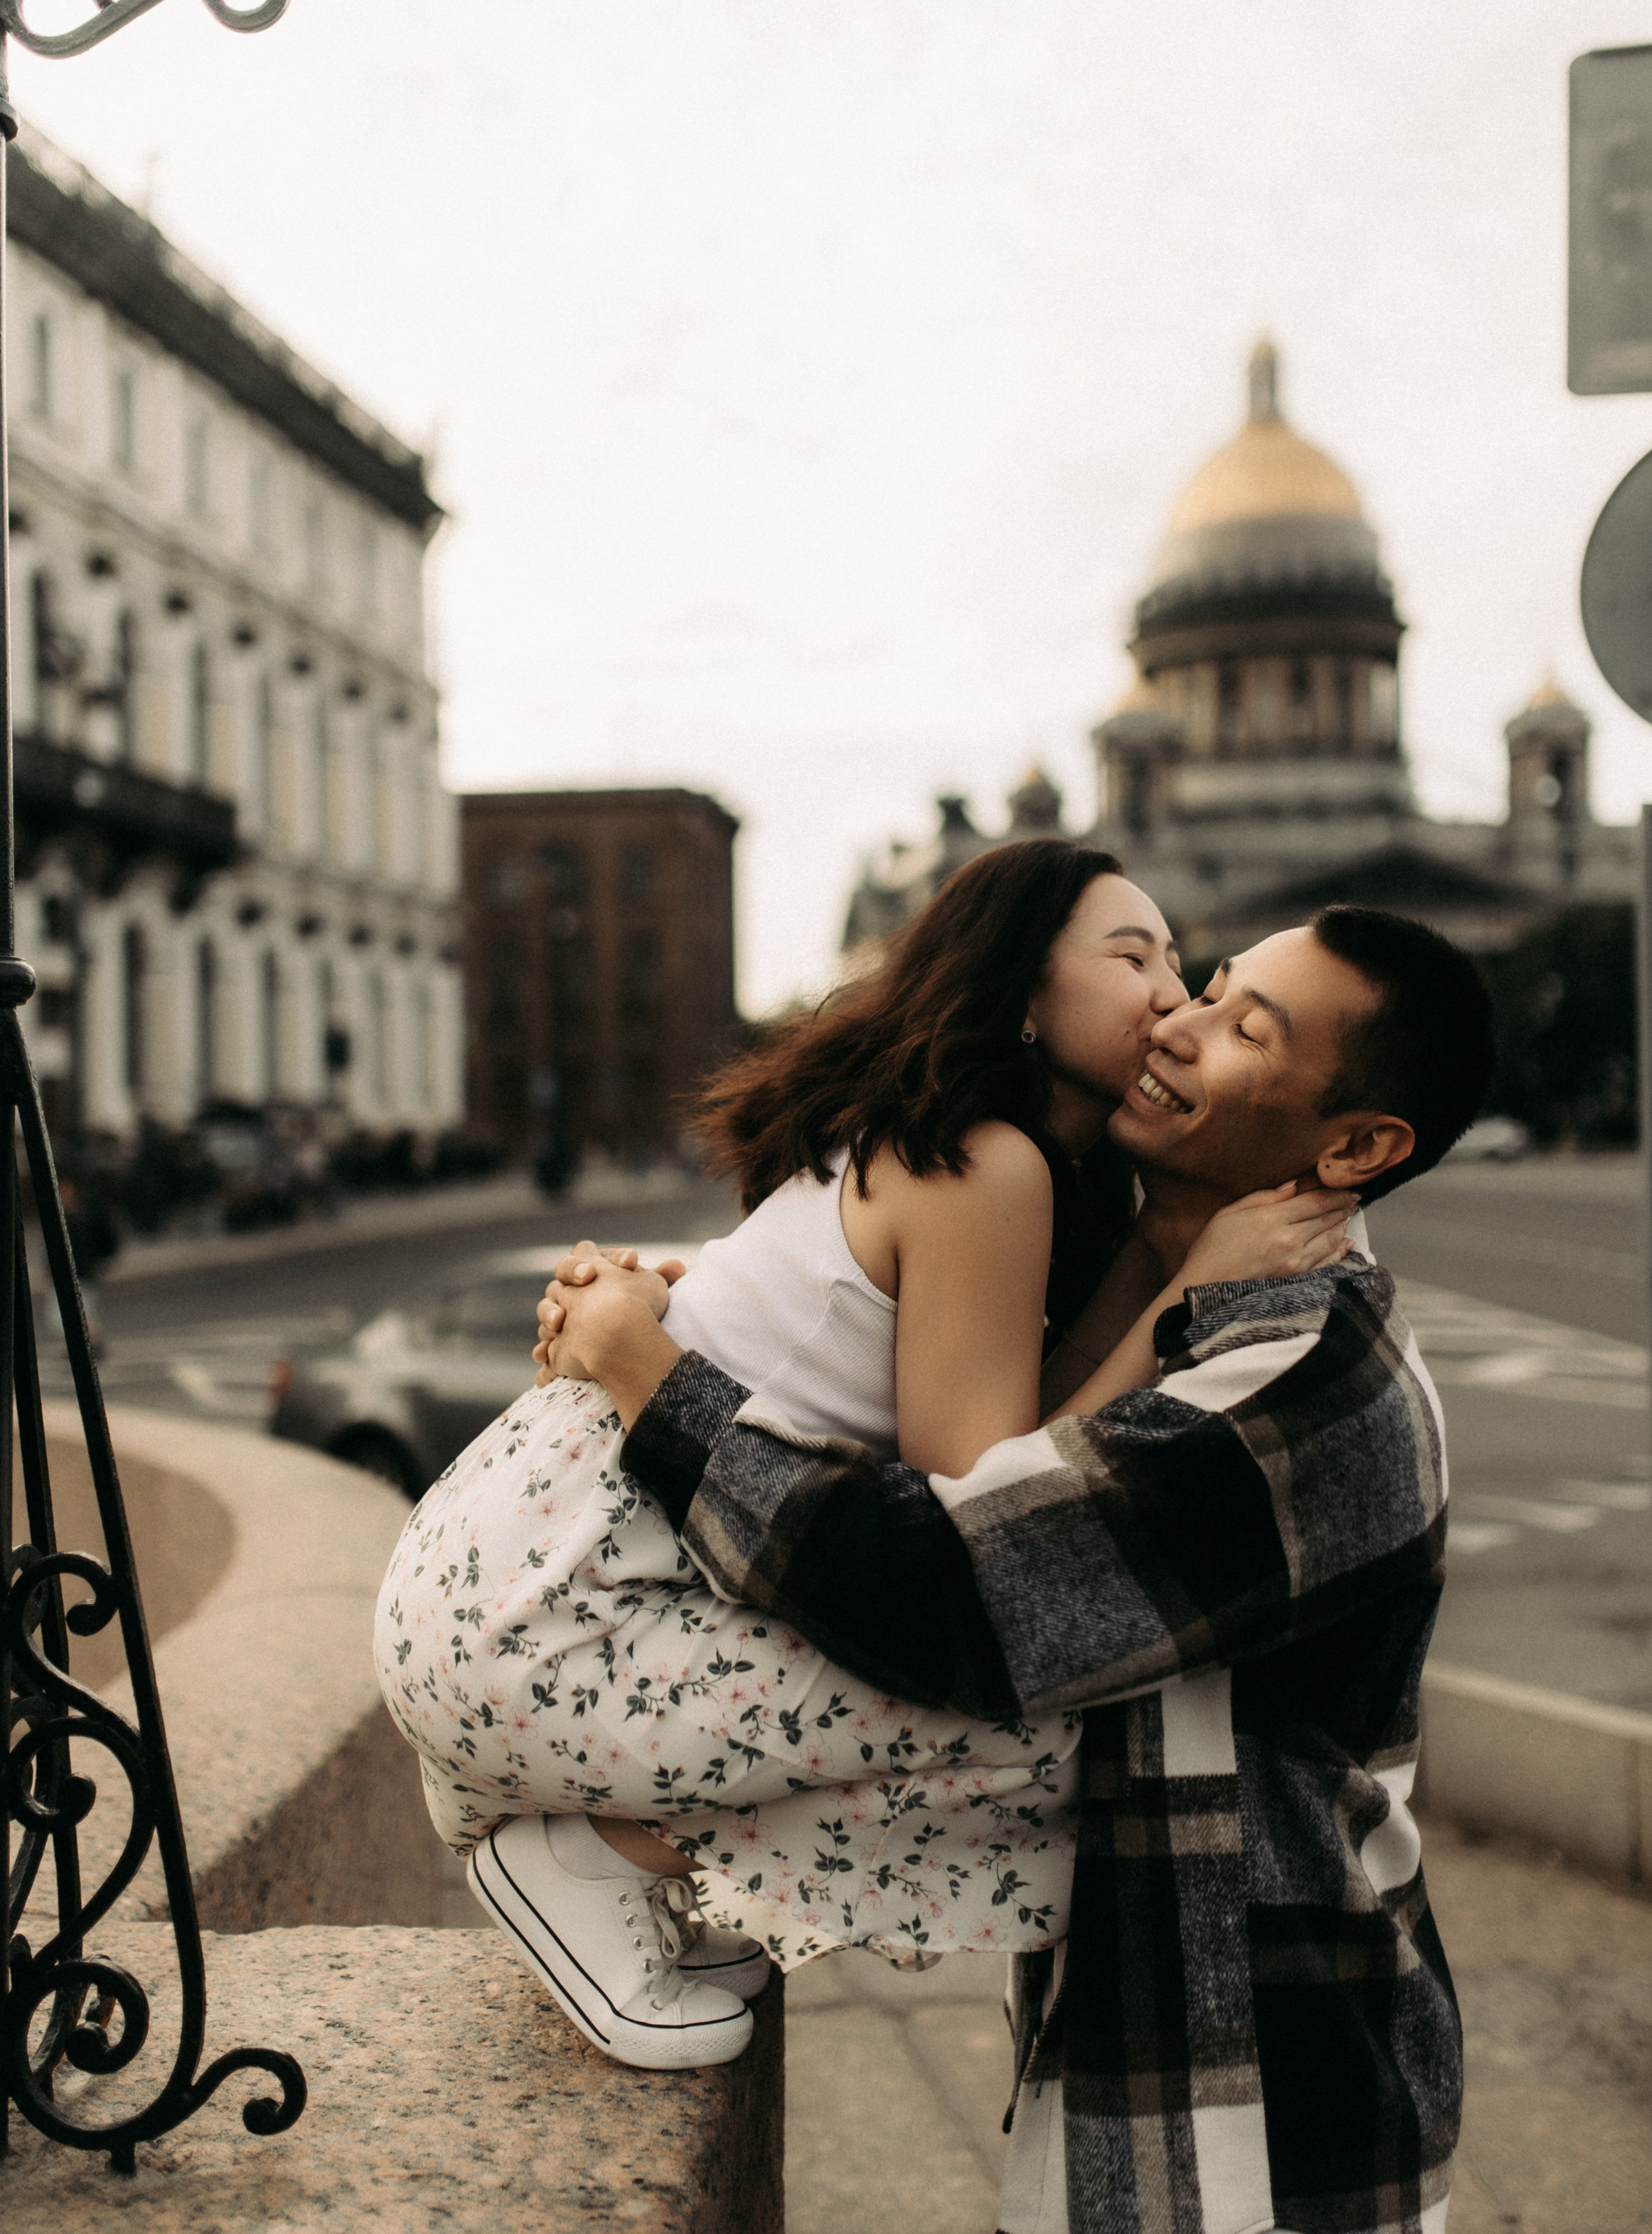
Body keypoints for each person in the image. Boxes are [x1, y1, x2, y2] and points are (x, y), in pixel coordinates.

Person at [536, 906, 1496, 2234]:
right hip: (1217, 2062)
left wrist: (649, 1377)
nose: (1177, 1020)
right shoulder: (1179, 1288)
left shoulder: (1300, 1376)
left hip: (1278, 2102)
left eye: (1244, 1028)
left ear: (1355, 1146)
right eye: (1207, 985)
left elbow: (944, 1587)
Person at [373, 840, 1350, 2075]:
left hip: (508, 1574)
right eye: (1132, 958)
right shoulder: (983, 1163)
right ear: (1023, 993)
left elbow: (1014, 1421)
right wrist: (1187, 1288)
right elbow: (990, 1514)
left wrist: (1163, 1256)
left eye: (1176, 962)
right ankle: (597, 1861)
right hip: (555, 1612)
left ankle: (619, 1865)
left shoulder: (948, 1142)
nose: (1171, 998)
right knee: (1043, 1732)